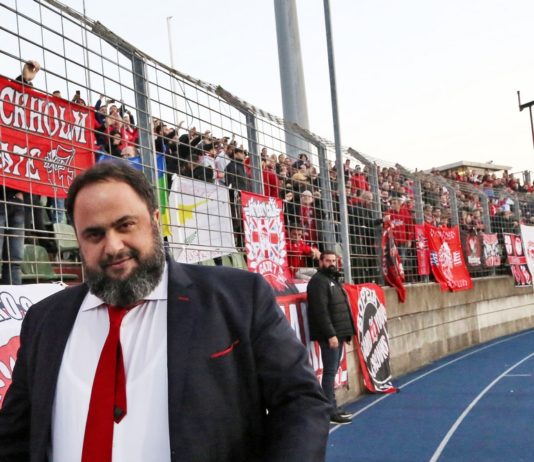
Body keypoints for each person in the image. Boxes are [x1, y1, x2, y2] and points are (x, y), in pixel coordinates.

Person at [0, 162, 330, 461]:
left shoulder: (238, 298)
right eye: (95, 234)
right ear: (78, 239)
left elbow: (299, 402)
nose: (113, 246)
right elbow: (14, 436)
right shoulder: (45, 320)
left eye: (125, 225)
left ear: (156, 222)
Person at [306, 251, 355, 425]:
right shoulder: (318, 282)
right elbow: (321, 311)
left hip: (338, 333)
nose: (332, 263)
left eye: (334, 260)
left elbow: (340, 308)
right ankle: (329, 411)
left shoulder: (332, 280)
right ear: (320, 262)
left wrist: (345, 333)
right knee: (329, 372)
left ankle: (333, 406)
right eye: (328, 260)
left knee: (332, 372)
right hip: (330, 335)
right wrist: (331, 334)